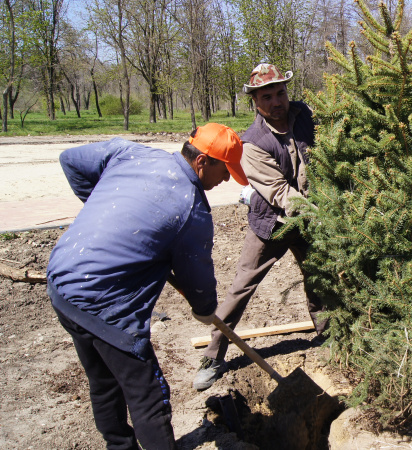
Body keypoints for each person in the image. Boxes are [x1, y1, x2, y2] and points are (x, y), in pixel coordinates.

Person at [47, 124, 248, 449]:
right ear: (202, 163)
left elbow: (71, 160)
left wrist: (110, 208)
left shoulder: (133, 154)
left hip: (62, 283)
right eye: (225, 171)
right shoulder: (191, 209)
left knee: (103, 382)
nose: (226, 180)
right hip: (105, 304)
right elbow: (200, 291)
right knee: (150, 399)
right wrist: (204, 311)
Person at [193, 63, 325, 390]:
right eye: (267, 96)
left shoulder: (304, 115)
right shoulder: (252, 142)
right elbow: (279, 193)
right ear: (255, 101)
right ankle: (212, 355)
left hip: (312, 218)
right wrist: (322, 213)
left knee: (319, 279)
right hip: (273, 223)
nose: (277, 101)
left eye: (280, 92)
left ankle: (329, 336)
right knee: (242, 286)